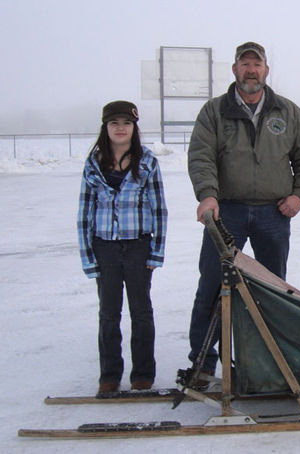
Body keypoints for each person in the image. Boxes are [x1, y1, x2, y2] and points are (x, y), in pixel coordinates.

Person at [186, 42, 300, 379]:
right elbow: (201, 157)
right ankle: (202, 364)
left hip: (273, 214)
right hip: (225, 213)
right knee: (213, 286)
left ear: (266, 71)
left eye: (256, 64)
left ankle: (271, 362)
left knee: (273, 291)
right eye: (244, 64)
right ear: (234, 70)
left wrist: (299, 195)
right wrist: (208, 195)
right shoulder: (214, 112)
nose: (250, 70)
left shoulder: (288, 112)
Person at [77, 100, 168, 394]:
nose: (120, 128)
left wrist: (156, 250)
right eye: (114, 123)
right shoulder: (94, 164)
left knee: (141, 311)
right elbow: (84, 214)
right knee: (109, 312)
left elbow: (159, 210)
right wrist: (89, 256)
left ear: (134, 128)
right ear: (106, 127)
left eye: (126, 123)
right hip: (105, 248)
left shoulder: (147, 162)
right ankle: (110, 375)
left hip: (138, 246)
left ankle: (142, 373)